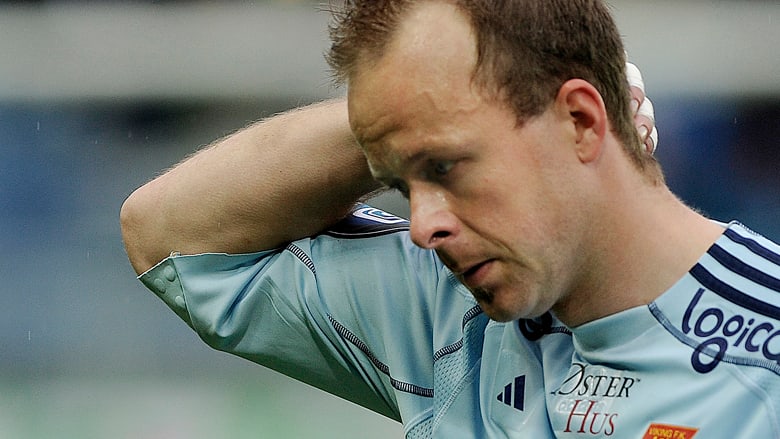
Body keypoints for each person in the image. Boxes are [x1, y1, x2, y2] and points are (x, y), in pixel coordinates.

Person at [120, 0, 779, 437]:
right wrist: (400, 117)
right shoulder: (445, 307)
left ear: (580, 120)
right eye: (398, 183)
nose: (421, 226)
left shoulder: (762, 364)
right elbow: (169, 236)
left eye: (446, 166)